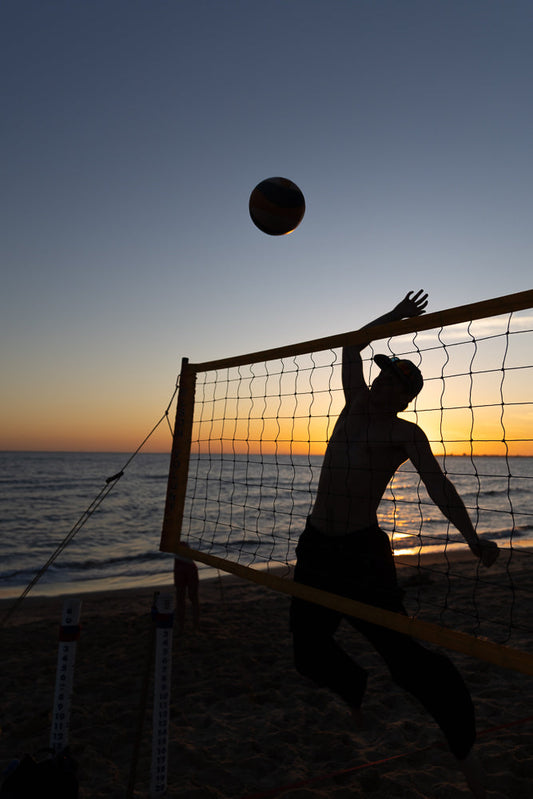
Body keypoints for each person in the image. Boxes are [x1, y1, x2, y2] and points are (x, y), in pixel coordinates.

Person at [290, 290, 499, 798]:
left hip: (361, 556)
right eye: (382, 372)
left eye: (392, 378)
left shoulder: (406, 434)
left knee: (405, 661)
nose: (381, 378)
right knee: (308, 653)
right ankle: (355, 689)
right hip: (316, 547)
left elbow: (439, 487)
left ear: (403, 395)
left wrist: (471, 539)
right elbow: (351, 347)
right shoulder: (356, 402)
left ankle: (465, 750)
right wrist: (396, 317)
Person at [173, 546, 200, 633]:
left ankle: (188, 626)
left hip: (185, 566)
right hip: (186, 565)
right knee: (189, 598)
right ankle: (191, 626)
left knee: (184, 598)